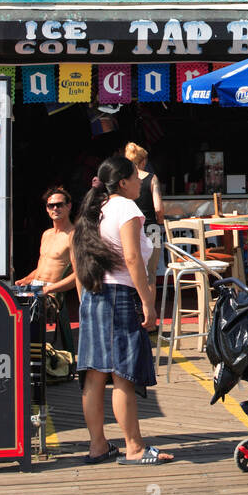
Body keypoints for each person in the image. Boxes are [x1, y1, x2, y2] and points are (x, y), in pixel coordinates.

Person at [71, 156, 173, 465]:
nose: (141, 181)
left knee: (94, 375)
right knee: (123, 375)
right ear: (124, 182)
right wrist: (147, 302)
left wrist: (83, 298)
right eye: (137, 177)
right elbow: (132, 257)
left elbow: (77, 258)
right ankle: (134, 447)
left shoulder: (94, 209)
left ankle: (98, 446)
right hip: (119, 294)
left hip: (93, 294)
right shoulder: (126, 208)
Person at [15, 186, 78, 353]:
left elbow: (78, 275)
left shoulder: (74, 235)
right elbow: (41, 268)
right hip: (35, 288)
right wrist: (25, 280)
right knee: (1, 300)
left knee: (19, 311)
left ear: (69, 206)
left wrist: (50, 288)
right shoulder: (47, 234)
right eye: (51, 205)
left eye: (59, 204)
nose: (55, 208)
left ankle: (28, 357)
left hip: (51, 294)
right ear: (47, 209)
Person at [123, 141, 165, 282]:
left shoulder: (122, 181)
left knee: (130, 274)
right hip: (152, 229)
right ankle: (148, 304)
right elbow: (158, 208)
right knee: (151, 275)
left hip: (129, 230)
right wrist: (159, 222)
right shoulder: (152, 178)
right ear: (143, 161)